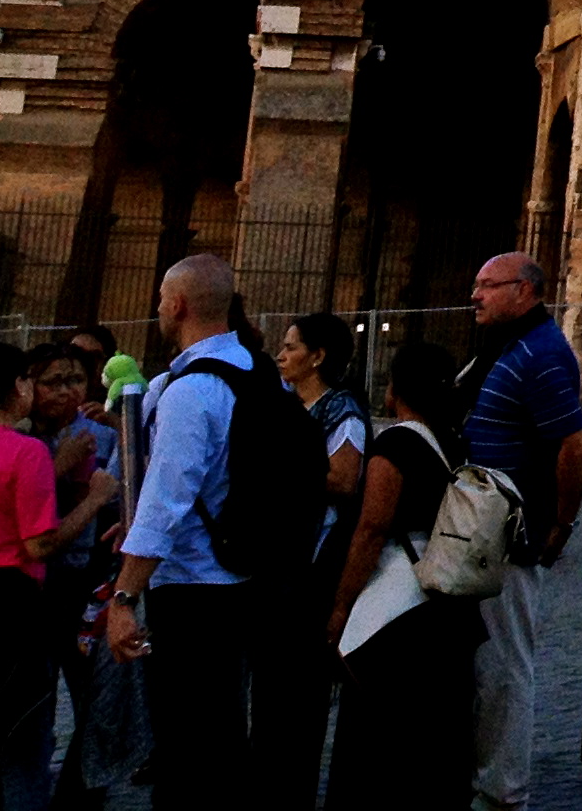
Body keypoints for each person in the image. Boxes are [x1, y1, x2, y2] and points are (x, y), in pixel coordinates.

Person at [0, 340, 121, 807]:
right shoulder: (26, 453)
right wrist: (96, 500)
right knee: (22, 743)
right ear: (16, 388)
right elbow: (40, 542)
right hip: (8, 611)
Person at [104, 254, 258, 805]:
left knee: (188, 747)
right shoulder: (256, 373)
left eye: (162, 298)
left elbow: (164, 502)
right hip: (242, 574)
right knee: (219, 737)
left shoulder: (193, 391)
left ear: (179, 304)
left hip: (193, 587)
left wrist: (125, 595)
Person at [321, 341, 485, 810]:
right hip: (444, 607)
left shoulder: (396, 444)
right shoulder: (452, 442)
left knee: (378, 741)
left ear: (395, 390)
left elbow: (372, 528)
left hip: (397, 612)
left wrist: (339, 605)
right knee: (435, 742)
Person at [459, 250, 582, 810]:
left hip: (510, 532)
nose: (476, 295)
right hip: (477, 527)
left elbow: (574, 444)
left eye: (489, 285)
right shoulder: (504, 348)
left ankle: (502, 789)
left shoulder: (539, 354)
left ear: (528, 291)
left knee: (504, 663)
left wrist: (561, 522)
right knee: (479, 662)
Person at [257, 310, 368, 807]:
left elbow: (343, 479)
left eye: (292, 347)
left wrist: (282, 473)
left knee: (299, 695)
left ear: (318, 357)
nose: (281, 355)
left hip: (315, 562)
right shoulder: (284, 403)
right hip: (280, 559)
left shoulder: (339, 409)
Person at [23, 342, 121, 811]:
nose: (66, 392)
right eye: (53, 381)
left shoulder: (97, 435)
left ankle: (82, 793)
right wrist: (57, 468)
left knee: (93, 696)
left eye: (75, 380)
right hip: (32, 584)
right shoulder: (20, 438)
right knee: (33, 702)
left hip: (85, 581)